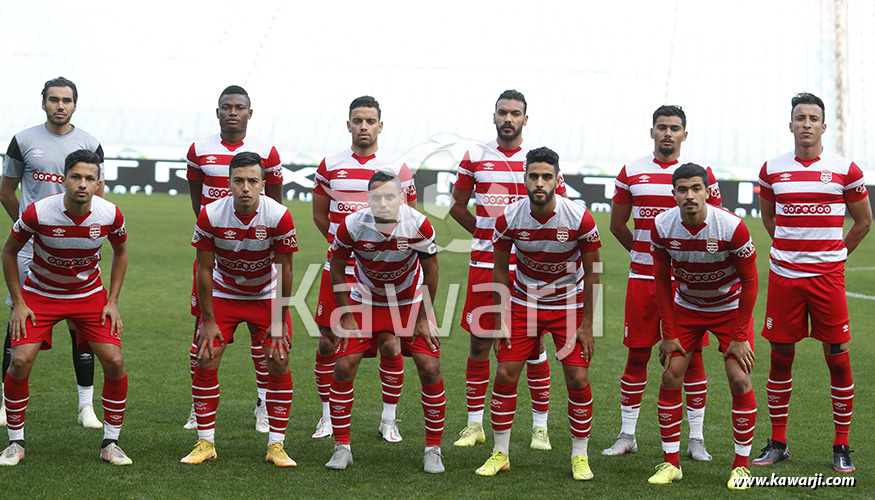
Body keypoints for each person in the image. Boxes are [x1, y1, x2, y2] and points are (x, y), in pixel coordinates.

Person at [753, 92, 871, 473]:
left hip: (827, 280)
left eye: (813, 118)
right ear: (790, 125)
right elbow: (770, 219)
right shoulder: (772, 169)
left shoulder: (845, 170)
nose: (806, 123)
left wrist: (835, 257)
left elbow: (863, 221)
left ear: (823, 125)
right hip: (785, 278)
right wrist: (792, 252)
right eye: (799, 117)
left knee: (837, 358)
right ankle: (778, 442)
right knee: (780, 357)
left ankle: (841, 445)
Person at [604, 105, 722, 460]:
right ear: (651, 132)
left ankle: (696, 438)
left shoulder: (700, 176)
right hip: (643, 279)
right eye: (661, 127)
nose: (667, 133)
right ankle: (628, 435)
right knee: (637, 354)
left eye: (674, 128)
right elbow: (617, 225)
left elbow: (714, 222)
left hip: (687, 284)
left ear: (685, 134)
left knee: (692, 357)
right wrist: (646, 256)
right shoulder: (632, 171)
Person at [475, 147, 600, 481]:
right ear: (525, 178)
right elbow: (499, 270)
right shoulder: (509, 218)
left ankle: (580, 456)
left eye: (547, 176)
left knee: (578, 378)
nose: (539, 183)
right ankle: (500, 453)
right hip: (522, 304)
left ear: (558, 180)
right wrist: (502, 315)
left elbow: (594, 273)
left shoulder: (579, 218)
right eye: (533, 176)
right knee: (504, 374)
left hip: (568, 306)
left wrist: (588, 324)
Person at [0, 149, 130, 466]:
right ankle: (15, 444)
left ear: (98, 183)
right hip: (41, 294)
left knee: (114, 361)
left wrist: (112, 301)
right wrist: (18, 303)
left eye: (89, 178)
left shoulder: (110, 214)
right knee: (20, 361)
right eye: (76, 177)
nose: (82, 184)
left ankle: (111, 443)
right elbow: (9, 252)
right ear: (63, 180)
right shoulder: (37, 212)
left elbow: (121, 252)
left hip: (88, 295)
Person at [450, 90, 562, 450]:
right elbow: (457, 207)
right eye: (503, 112)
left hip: (529, 269)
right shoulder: (476, 156)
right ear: (494, 116)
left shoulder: (536, 164)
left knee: (533, 346)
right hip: (486, 264)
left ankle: (540, 428)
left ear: (525, 119)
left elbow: (559, 208)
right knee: (480, 343)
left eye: (515, 113)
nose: (508, 118)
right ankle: (474, 425)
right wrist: (491, 238)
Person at [311, 96, 418, 442]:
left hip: (383, 273)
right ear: (348, 125)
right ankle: (327, 416)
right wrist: (344, 249)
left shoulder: (397, 168)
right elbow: (319, 215)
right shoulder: (331, 165)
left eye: (370, 121)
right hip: (341, 268)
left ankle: (389, 419)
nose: (363, 127)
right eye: (357, 120)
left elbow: (409, 221)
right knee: (329, 343)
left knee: (390, 343)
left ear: (380, 126)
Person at [180, 152, 297, 467]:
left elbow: (286, 270)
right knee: (205, 356)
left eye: (252, 181)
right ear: (228, 183)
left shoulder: (279, 215)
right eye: (239, 180)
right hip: (225, 293)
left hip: (266, 294)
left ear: (263, 184)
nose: (245, 187)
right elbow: (203, 269)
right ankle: (205, 442)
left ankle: (277, 446)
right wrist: (207, 321)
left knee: (278, 359)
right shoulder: (210, 215)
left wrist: (279, 321)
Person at [0, 77, 104, 429]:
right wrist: (30, 230)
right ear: (43, 102)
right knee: (18, 320)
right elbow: (6, 190)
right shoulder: (24, 140)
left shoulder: (90, 143)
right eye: (54, 99)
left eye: (67, 100)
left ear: (76, 105)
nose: (60, 105)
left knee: (83, 326)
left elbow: (98, 197)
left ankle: (86, 406)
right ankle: (5, 401)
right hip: (31, 250)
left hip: (79, 251)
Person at [324, 171, 444, 473]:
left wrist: (421, 318)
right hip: (367, 300)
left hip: (409, 301)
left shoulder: (418, 224)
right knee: (344, 364)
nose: (383, 202)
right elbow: (336, 269)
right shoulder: (352, 225)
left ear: (401, 197)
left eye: (390, 196)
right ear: (368, 199)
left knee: (430, 366)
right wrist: (347, 315)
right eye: (376, 196)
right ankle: (342, 447)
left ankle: (433, 450)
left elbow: (432, 271)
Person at [648, 163, 758, 489]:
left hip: (729, 309)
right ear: (674, 194)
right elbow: (661, 282)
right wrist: (668, 333)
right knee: (670, 374)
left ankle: (741, 466)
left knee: (739, 379)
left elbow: (751, 282)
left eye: (696, 188)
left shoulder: (731, 227)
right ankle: (671, 463)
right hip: (688, 308)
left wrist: (739, 337)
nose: (690, 196)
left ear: (708, 192)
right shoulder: (662, 226)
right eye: (682, 190)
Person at [183, 85, 284, 432]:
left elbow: (276, 203)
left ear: (249, 113)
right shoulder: (199, 150)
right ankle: (199, 408)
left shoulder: (266, 151)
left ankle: (263, 405)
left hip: (256, 251)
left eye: (239, 107)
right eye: (226, 107)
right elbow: (197, 201)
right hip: (217, 244)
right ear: (217, 112)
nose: (232, 112)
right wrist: (215, 229)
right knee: (203, 329)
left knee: (264, 342)